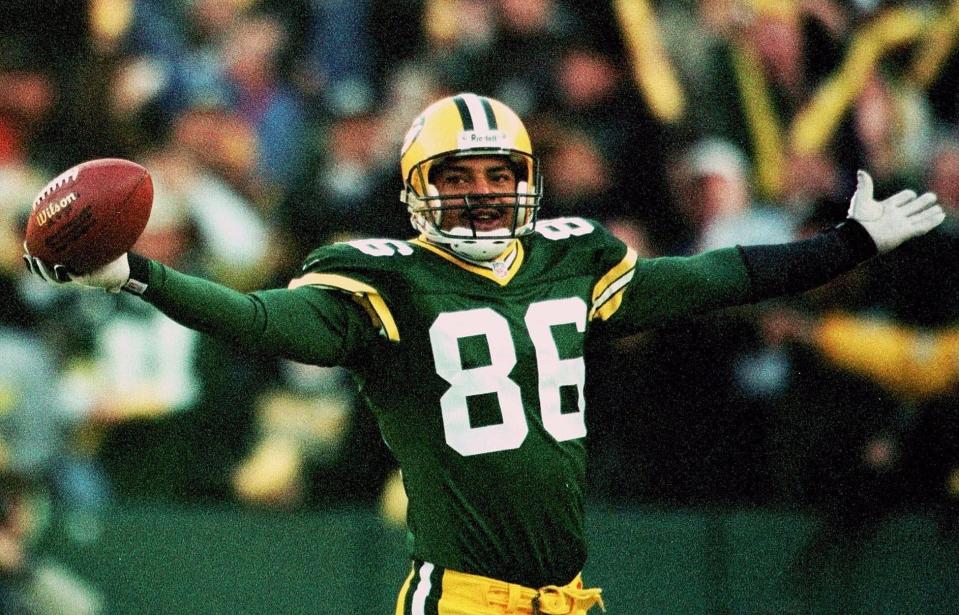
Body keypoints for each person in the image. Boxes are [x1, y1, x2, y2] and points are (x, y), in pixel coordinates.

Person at [22, 93, 944, 615]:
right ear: (418, 192)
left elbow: (709, 277)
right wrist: (139, 273)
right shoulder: (384, 278)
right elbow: (264, 321)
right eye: (454, 179)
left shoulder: (571, 259)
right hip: (460, 600)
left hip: (567, 598)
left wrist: (844, 245)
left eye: (494, 177)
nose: (476, 196)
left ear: (524, 183)